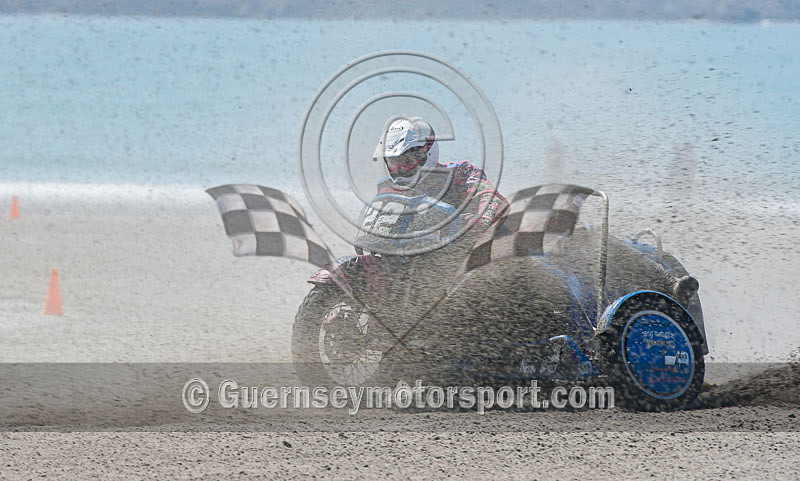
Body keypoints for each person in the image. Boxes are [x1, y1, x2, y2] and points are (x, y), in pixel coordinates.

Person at [372, 116, 508, 230]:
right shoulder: (387, 188)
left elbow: (491, 198)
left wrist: (478, 221)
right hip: (409, 255)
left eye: (407, 160)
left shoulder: (460, 173)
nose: (399, 169)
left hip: (465, 250)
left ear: (427, 150)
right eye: (393, 163)